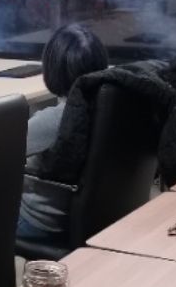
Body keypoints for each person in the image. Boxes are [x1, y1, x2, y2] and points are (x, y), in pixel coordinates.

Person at [16, 24, 108, 242]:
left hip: (42, 223)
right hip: (99, 217)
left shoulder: (52, 121)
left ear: (51, 69)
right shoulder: (110, 109)